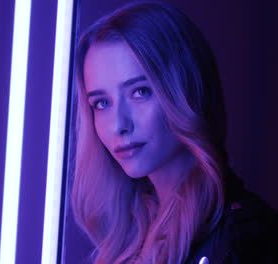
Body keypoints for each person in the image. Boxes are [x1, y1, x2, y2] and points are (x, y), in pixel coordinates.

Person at [70, 1, 278, 263]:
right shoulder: (133, 232)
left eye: (140, 92)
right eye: (102, 103)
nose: (118, 125)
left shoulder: (243, 238)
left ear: (184, 90)